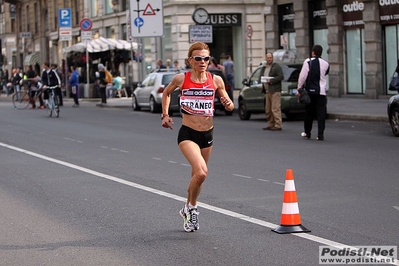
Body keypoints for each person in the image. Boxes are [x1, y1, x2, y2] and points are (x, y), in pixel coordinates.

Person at [161, 42, 234, 232]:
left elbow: (230, 104)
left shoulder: (215, 80)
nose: (203, 62)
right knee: (201, 172)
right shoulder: (181, 79)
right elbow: (166, 93)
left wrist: (228, 104)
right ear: (190, 60)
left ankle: (188, 208)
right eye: (198, 58)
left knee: (197, 177)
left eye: (206, 58)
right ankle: (191, 208)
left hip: (207, 134)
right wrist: (165, 114)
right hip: (188, 133)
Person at [297, 44, 330, 141]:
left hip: (310, 92)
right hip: (322, 92)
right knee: (321, 114)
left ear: (313, 52)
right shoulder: (326, 63)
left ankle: (307, 133)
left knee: (309, 113)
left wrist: (299, 88)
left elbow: (302, 76)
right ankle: (320, 134)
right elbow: (325, 73)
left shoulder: (308, 62)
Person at [262, 53, 284, 131]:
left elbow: (281, 77)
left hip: (275, 90)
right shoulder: (264, 67)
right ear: (266, 58)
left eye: (270, 57)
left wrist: (271, 80)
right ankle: (270, 124)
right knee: (268, 109)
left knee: (275, 108)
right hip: (267, 91)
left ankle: (278, 125)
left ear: (273, 58)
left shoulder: (276, 67)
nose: (269, 59)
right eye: (268, 57)